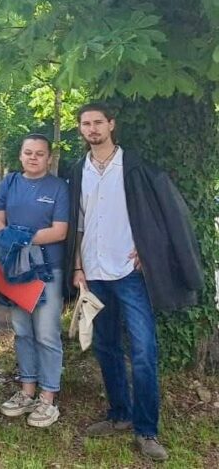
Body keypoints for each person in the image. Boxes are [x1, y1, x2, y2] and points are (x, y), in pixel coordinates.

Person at [65, 103, 203, 463]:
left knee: (143, 351)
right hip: (94, 273)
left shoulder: (136, 167)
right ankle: (119, 415)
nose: (92, 128)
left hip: (130, 274)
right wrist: (77, 266)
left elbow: (162, 215)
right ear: (80, 129)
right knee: (106, 347)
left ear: (111, 124)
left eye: (98, 122)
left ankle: (146, 430)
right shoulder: (78, 171)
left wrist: (149, 249)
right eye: (86, 123)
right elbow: (77, 223)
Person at [0, 133, 69, 429]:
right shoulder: (10, 182)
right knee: (23, 331)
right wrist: (11, 239)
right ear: (21, 155)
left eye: (39, 153)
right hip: (16, 268)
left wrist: (20, 237)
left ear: (49, 158)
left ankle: (48, 397)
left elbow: (59, 231)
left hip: (47, 270)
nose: (33, 158)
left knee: (46, 333)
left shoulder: (58, 187)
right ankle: (27, 390)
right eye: (28, 152)